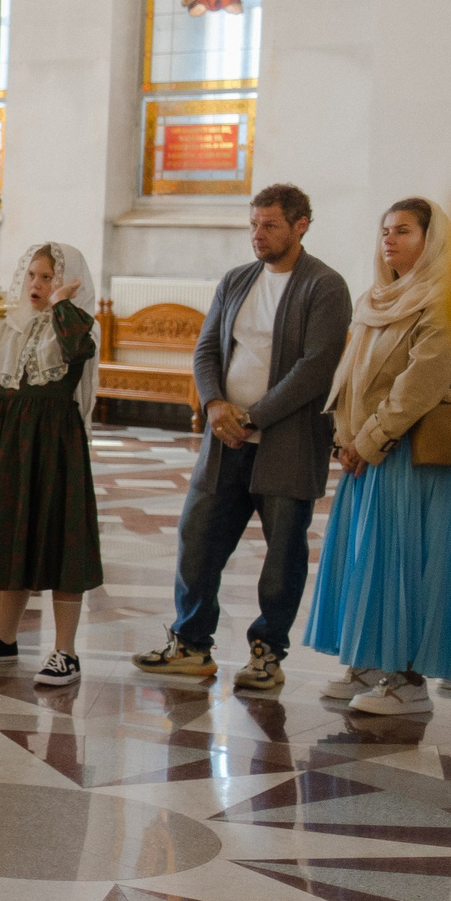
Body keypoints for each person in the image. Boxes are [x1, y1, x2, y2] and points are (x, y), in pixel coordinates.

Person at [136, 183, 352, 693]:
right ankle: (191, 644)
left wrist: (253, 418)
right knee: (197, 537)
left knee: (282, 556)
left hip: (287, 443)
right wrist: (214, 405)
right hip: (224, 441)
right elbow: (206, 347)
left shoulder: (325, 286)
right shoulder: (237, 280)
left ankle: (266, 653)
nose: (257, 235)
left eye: (270, 225)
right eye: (254, 224)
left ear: (301, 225)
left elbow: (316, 370)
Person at [303, 197, 451, 716]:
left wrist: (369, 440)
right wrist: (344, 437)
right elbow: (349, 376)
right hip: (368, 454)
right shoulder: (375, 298)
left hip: (410, 457)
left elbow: (418, 386)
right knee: (368, 563)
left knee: (409, 562)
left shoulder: (445, 300)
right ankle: (371, 661)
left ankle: (408, 680)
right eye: (385, 230)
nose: (389, 239)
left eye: (403, 230)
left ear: (432, 240)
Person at [0, 242, 104, 687]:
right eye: (32, 275)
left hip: (55, 447)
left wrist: (60, 305)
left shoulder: (75, 325)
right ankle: (3, 639)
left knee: (59, 541)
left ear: (67, 283)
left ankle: (65, 652)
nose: (37, 284)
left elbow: (78, 353)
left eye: (48, 277)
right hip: (12, 447)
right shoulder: (13, 328)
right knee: (11, 537)